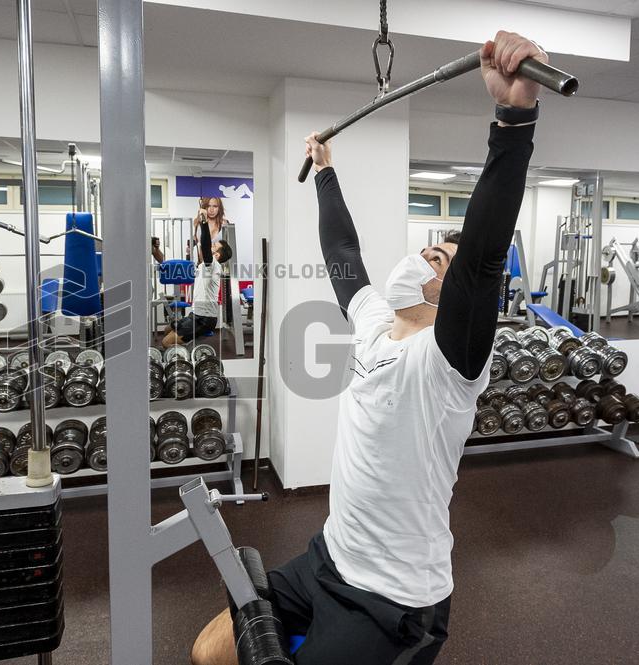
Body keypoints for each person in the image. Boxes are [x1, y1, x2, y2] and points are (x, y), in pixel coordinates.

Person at [191, 30, 544, 665]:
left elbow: (484, 258)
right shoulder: (375, 321)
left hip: (394, 601)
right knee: (208, 651)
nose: (420, 256)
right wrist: (326, 174)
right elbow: (343, 255)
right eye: (429, 246)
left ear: (447, 293)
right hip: (327, 558)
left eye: (436, 258)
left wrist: (513, 119)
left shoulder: (449, 361)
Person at [162, 217, 232, 348]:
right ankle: (182, 354)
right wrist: (197, 227)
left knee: (166, 342)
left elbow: (205, 247)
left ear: (216, 255)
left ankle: (184, 362)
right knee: (167, 330)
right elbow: (202, 245)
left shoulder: (213, 266)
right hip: (195, 315)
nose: (211, 246)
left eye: (214, 246)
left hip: (203, 320)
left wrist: (204, 222)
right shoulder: (204, 266)